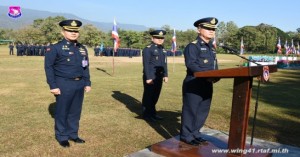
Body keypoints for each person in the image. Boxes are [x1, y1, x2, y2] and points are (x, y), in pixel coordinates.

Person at [44, 19, 91, 148]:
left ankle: (73, 134)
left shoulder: (82, 48)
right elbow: (49, 68)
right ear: (63, 32)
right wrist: (53, 86)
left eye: (75, 31)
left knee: (75, 111)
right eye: (70, 30)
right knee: (62, 111)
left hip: (79, 83)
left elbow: (85, 66)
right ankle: (62, 136)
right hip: (63, 83)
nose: (73, 33)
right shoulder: (55, 47)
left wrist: (87, 82)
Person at [180, 17, 220, 146]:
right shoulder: (192, 46)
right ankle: (186, 135)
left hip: (207, 84)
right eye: (208, 28)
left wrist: (216, 76)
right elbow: (191, 65)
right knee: (191, 110)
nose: (211, 31)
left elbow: (215, 66)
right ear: (199, 29)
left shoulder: (211, 48)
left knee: (203, 111)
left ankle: (195, 133)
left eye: (213, 29)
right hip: (194, 83)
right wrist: (207, 75)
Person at [141, 30, 168, 122]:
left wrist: (165, 74)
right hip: (151, 76)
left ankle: (153, 113)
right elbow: (146, 64)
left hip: (159, 76)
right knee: (149, 96)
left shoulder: (163, 49)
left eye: (162, 38)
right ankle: (146, 115)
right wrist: (148, 77)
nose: (160, 40)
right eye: (158, 38)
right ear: (152, 38)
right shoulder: (148, 49)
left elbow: (164, 63)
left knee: (155, 96)